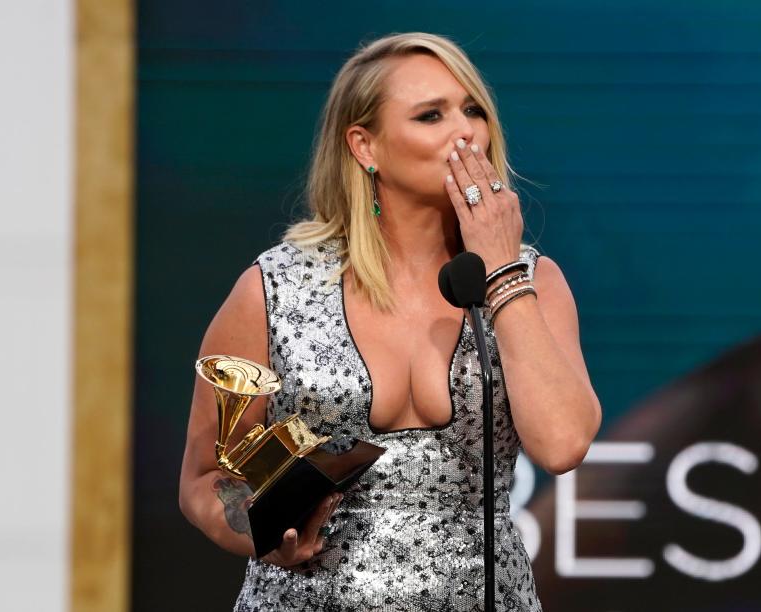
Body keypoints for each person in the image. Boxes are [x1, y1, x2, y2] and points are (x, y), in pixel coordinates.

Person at [179, 32, 602, 611]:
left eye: (473, 109)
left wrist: (501, 266)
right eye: (432, 115)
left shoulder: (532, 281)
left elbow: (562, 445)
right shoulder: (275, 285)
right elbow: (205, 477)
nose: (466, 132)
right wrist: (259, 533)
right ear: (364, 146)